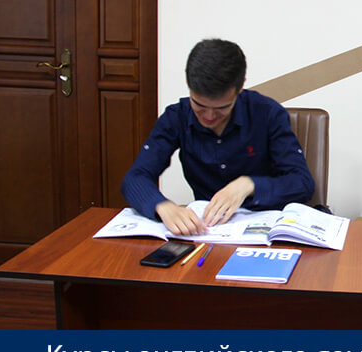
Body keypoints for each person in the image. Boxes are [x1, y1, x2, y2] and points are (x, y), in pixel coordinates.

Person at [122, 39, 314, 235]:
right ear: (189, 86)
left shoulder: (267, 113)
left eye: (222, 107)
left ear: (240, 87)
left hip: (265, 229)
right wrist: (162, 206)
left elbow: (302, 183)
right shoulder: (177, 117)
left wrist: (249, 185)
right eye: (199, 105)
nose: (209, 116)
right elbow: (136, 177)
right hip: (208, 231)